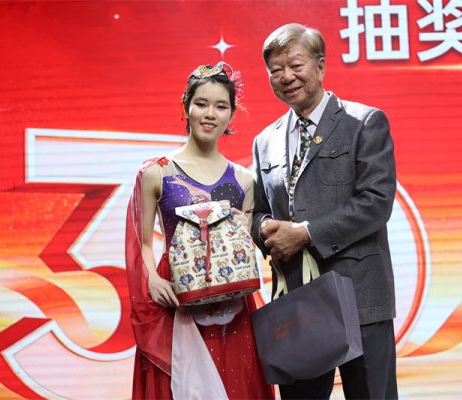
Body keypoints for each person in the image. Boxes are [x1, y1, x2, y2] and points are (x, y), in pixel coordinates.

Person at [251, 23, 398, 399]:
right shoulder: (265, 141)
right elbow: (257, 212)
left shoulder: (363, 122)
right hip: (298, 305)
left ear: (320, 66)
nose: (286, 76)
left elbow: (376, 202)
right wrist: (265, 229)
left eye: (295, 65)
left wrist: (305, 233)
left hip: (361, 297)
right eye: (275, 69)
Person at [125, 62, 271, 399]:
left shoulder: (244, 179)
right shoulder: (156, 171)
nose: (210, 114)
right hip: (176, 299)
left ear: (231, 114)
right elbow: (142, 242)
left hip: (233, 302)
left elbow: (246, 248)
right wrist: (152, 279)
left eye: (221, 106)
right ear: (186, 107)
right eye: (201, 103)